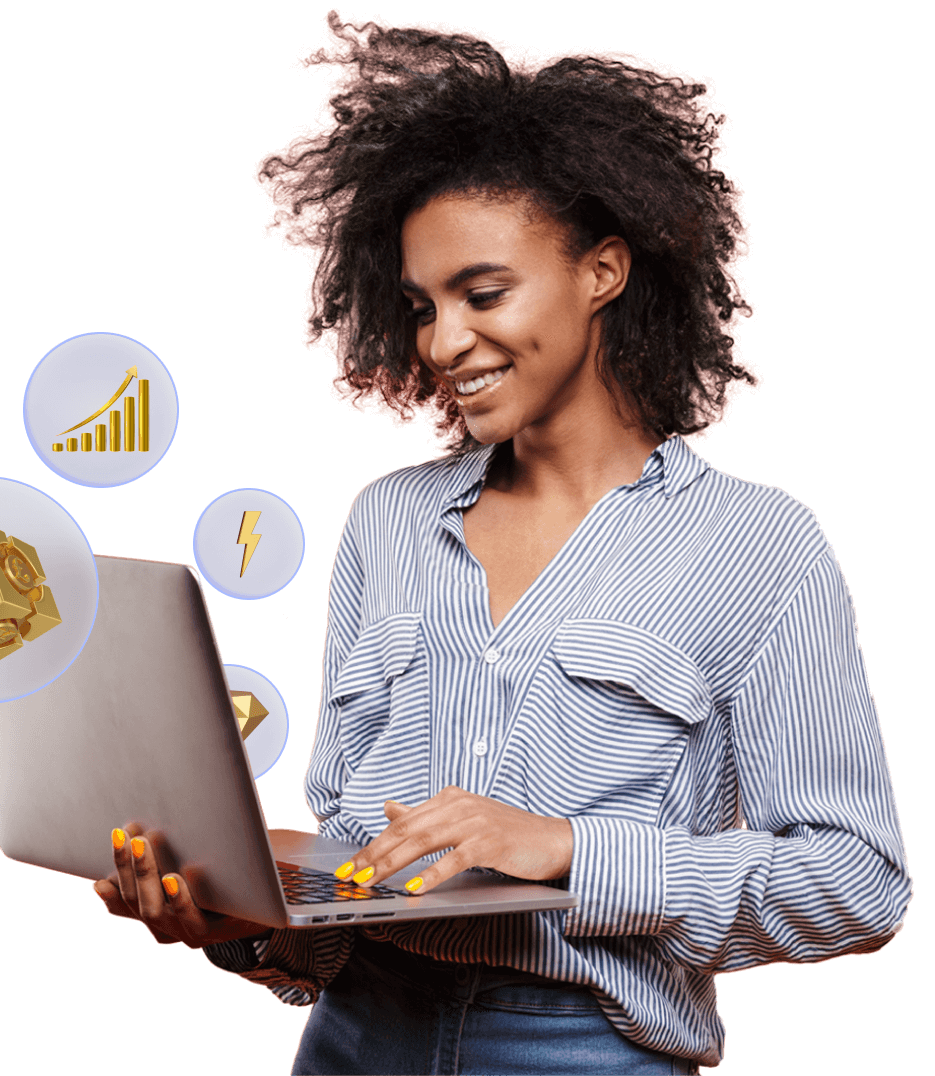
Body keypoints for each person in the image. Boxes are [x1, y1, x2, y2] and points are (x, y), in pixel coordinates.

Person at [91, 14, 911, 1074]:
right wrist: (232, 919)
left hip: (583, 1048)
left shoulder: (757, 543)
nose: (441, 342)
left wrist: (569, 850)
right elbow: (348, 856)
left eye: (482, 293)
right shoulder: (386, 517)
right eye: (423, 305)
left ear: (603, 269)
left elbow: (856, 880)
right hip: (351, 1035)